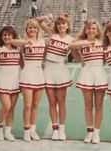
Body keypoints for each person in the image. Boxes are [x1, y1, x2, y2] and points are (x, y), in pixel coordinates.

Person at [69, 19, 108, 144]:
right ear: (86, 30)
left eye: (93, 29)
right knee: (88, 105)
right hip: (87, 73)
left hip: (99, 73)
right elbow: (71, 46)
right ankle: (89, 131)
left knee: (99, 106)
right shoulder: (82, 42)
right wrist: (80, 59)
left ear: (97, 31)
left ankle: (96, 133)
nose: (91, 31)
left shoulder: (102, 42)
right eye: (89, 28)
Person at [37, 13, 73, 141]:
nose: (61, 25)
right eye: (59, 23)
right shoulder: (52, 33)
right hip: (49, 69)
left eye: (63, 23)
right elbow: (38, 21)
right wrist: (48, 16)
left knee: (61, 102)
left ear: (67, 25)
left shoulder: (71, 39)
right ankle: (55, 129)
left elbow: (77, 51)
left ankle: (62, 129)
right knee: (52, 102)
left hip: (61, 70)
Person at [12, 18, 46, 141]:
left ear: (38, 30)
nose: (32, 30)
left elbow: (45, 57)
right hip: (27, 73)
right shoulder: (23, 42)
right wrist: (26, 42)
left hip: (39, 74)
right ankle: (26, 130)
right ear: (27, 29)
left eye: (34, 28)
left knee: (35, 105)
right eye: (30, 27)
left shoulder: (43, 41)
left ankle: (32, 130)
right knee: (27, 105)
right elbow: (13, 42)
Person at [0, 26, 21, 141]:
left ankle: (8, 131)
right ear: (1, 37)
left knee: (11, 108)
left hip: (15, 80)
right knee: (6, 106)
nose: (7, 37)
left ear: (13, 36)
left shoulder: (17, 49)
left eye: (9, 35)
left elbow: (21, 62)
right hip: (3, 79)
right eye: (4, 35)